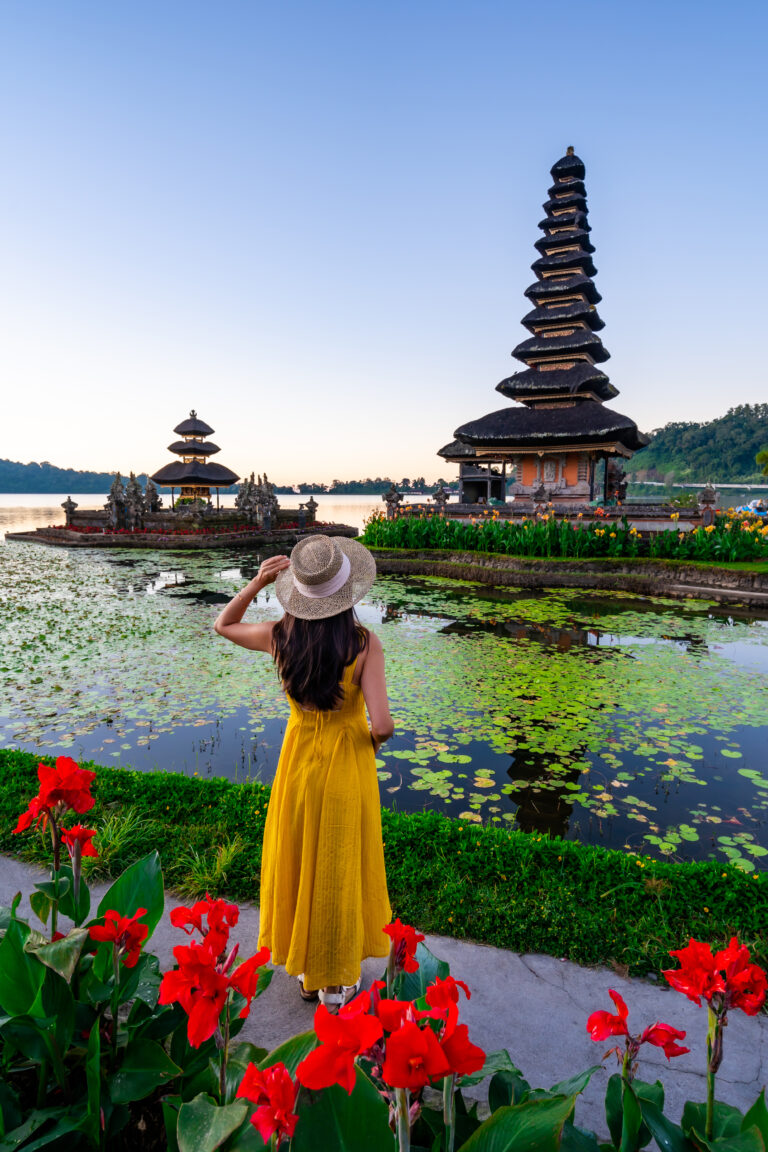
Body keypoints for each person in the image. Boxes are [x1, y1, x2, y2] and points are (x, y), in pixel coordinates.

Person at [213, 534, 393, 1012]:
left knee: (300, 857)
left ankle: (309, 975)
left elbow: (223, 624)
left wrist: (257, 581)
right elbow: (384, 724)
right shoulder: (364, 644)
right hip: (346, 762)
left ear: (299, 592)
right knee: (336, 861)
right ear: (346, 592)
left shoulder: (279, 636)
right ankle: (336, 982)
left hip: (297, 763)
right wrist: (369, 743)